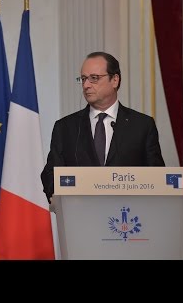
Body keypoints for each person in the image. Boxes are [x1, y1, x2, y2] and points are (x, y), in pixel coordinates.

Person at [41, 51, 165, 203]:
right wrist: (61, 200)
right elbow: (50, 174)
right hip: (81, 217)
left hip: (128, 219)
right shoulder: (65, 127)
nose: (86, 85)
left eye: (94, 78)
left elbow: (157, 177)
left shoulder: (142, 126)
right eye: (83, 79)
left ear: (114, 80)